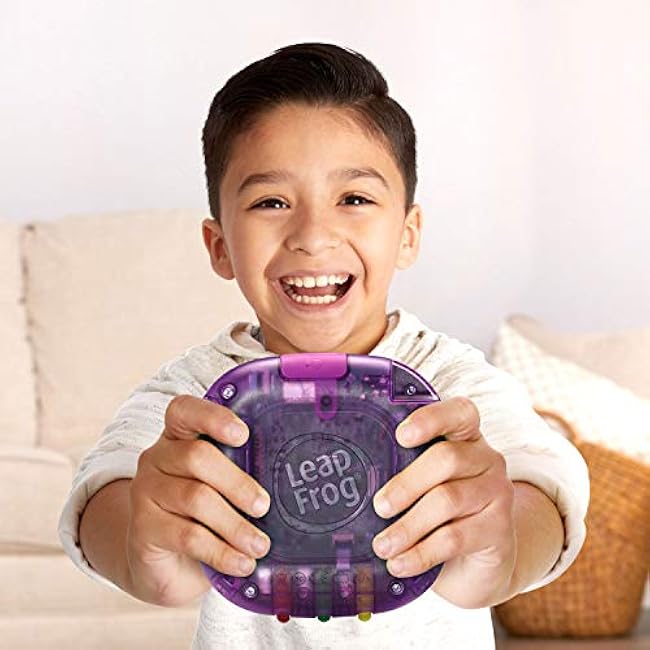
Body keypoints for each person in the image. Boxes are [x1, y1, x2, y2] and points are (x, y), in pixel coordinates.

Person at [58, 42, 590, 649]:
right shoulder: (195, 399)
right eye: (271, 202)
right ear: (220, 246)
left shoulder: (451, 385)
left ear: (407, 234)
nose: (313, 236)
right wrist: (140, 547)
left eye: (354, 199)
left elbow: (544, 487)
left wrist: (503, 546)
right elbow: (102, 493)